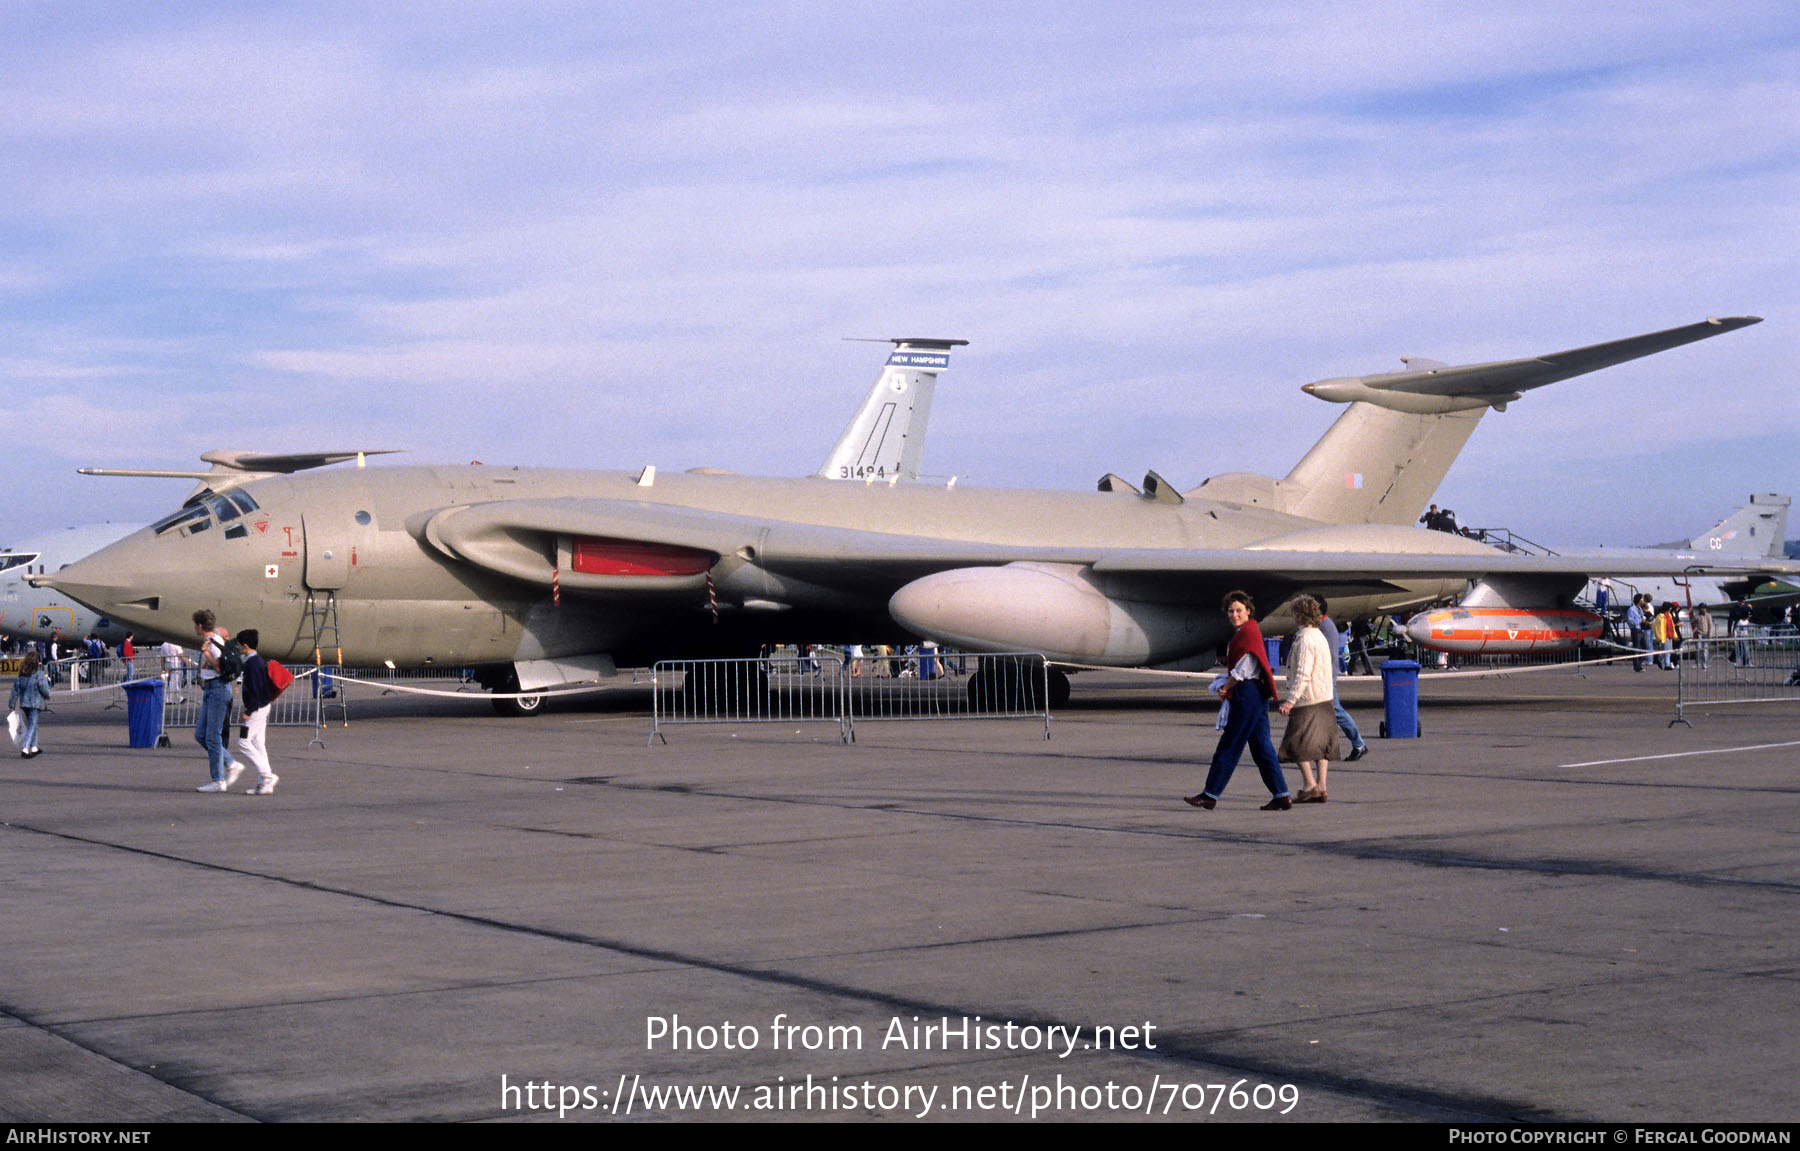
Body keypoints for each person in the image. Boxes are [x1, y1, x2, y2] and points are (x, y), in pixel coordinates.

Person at [1185, 590, 1291, 811]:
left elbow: (1244, 668)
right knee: (1262, 747)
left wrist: (1226, 686)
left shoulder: (1247, 633)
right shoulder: (1247, 631)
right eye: (1231, 611)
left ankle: (1210, 794)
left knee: (1229, 745)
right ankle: (1281, 794)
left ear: (1248, 611)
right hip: (1254, 694)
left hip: (1248, 694)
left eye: (1239, 610)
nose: (1234, 615)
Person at [1278, 596, 1339, 802]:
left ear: (1299, 615)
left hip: (1308, 699)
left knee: (1295, 743)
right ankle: (1322, 786)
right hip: (1324, 696)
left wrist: (1290, 700)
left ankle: (1309, 784)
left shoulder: (1304, 639)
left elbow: (1303, 673)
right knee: (1321, 744)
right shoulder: (1319, 636)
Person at [192, 609, 242, 793]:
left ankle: (218, 780)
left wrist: (206, 653)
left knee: (213, 736)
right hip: (211, 688)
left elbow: (220, 668)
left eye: (195, 625)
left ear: (199, 625)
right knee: (200, 735)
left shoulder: (213, 642)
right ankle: (230, 762)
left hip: (218, 688)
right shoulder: (211, 639)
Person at [1316, 597, 1368, 762]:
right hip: (1324, 674)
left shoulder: (1324, 626)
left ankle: (1358, 743)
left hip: (1325, 675)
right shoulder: (1324, 625)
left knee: (1335, 711)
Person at [234, 630, 280, 795]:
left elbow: (255, 689)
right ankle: (265, 784)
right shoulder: (257, 661)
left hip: (257, 708)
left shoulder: (252, 664)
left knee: (244, 743)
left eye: (239, 644)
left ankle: (266, 776)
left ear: (245, 646)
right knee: (258, 743)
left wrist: (249, 711)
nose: (238, 647)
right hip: (263, 705)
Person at [9, 650, 51, 759]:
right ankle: (25, 747)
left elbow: (15, 691)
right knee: (32, 725)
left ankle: (34, 747)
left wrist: (12, 704)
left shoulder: (21, 675)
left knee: (33, 723)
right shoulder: (39, 674)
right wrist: (47, 695)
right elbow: (44, 688)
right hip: (35, 702)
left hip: (24, 703)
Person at [1689, 603, 1713, 670]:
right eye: (1701, 608)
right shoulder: (1697, 616)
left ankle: (1704, 664)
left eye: (1704, 608)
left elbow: (1710, 625)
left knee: (1705, 650)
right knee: (1698, 649)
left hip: (1706, 634)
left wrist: (1710, 634)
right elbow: (1692, 621)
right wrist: (1690, 614)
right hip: (1699, 634)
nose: (1703, 609)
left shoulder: (1708, 615)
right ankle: (1696, 663)